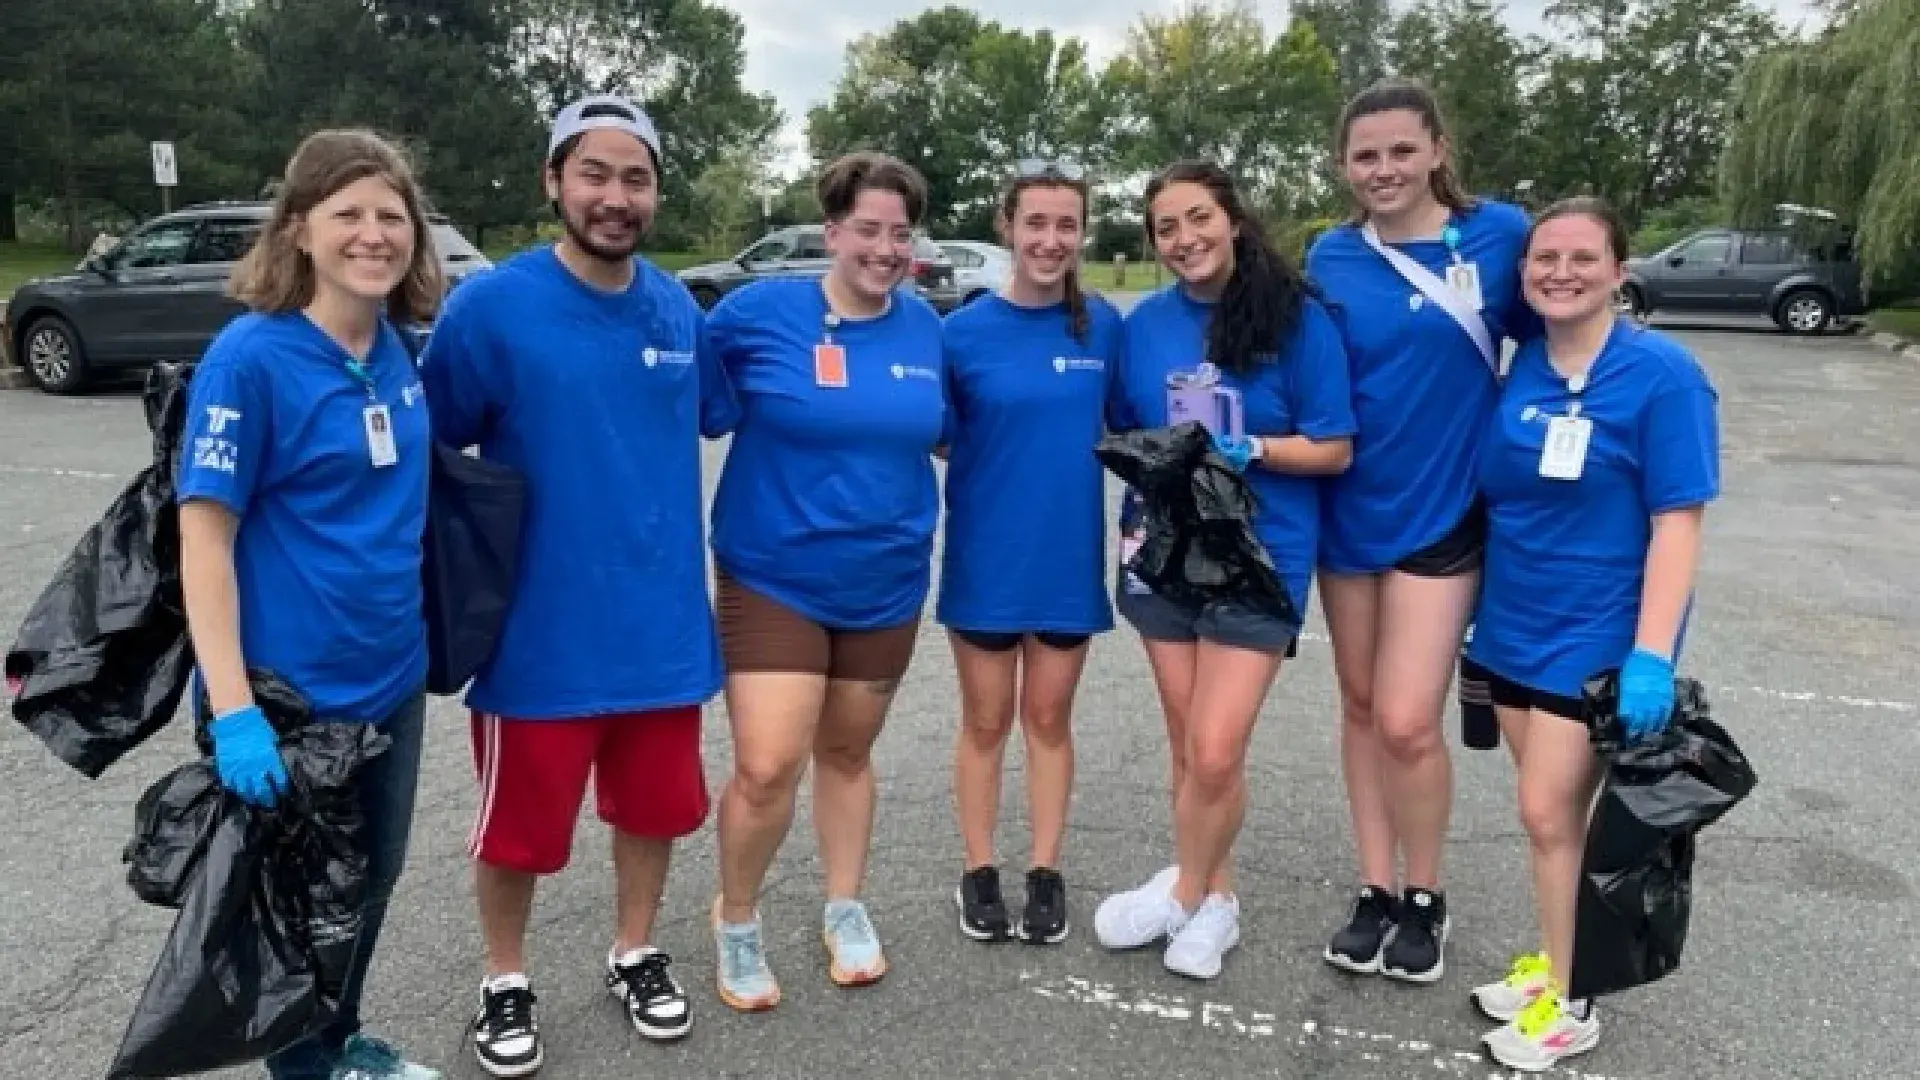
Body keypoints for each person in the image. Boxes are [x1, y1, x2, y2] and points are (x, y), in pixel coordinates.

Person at [418, 95, 734, 1077]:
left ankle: (634, 950)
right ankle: (504, 978)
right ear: (553, 180)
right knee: (519, 832)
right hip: (536, 635)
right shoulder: (491, 308)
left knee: (653, 813)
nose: (614, 196)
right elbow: (430, 451)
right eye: (593, 173)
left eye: (634, 178)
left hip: (661, 630)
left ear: (654, 194)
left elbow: (732, 413)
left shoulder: (678, 308)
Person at [176, 128, 442, 1080]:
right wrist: (236, 708)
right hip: (287, 700)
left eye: (390, 214)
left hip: (392, 679)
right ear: (297, 230)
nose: (373, 234)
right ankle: (305, 1068)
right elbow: (203, 540)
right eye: (348, 215)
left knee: (367, 884)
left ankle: (341, 1042)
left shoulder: (398, 350)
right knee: (294, 908)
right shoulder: (250, 360)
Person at [1465, 197, 1719, 1071]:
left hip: (1599, 634)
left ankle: (1574, 1004)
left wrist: (1651, 653)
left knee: (1545, 812)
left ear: (1619, 269)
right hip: (1510, 627)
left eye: (1581, 257)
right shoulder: (1526, 366)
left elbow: (1677, 523)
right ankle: (1558, 961)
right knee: (1552, 820)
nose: (1559, 272)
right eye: (1543, 258)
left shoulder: (1663, 376)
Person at [1093, 160, 1356, 980]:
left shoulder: (1298, 320)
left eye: (1198, 218)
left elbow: (1336, 446)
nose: (1184, 239)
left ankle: (1187, 890)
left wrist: (1255, 451)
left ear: (1234, 219)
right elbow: (1124, 429)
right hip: (1165, 552)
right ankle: (1217, 898)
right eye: (1166, 227)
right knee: (1187, 744)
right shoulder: (1145, 326)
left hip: (1258, 555)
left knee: (1214, 750)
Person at [1305, 78, 1538, 983]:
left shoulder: (1501, 234)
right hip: (1347, 512)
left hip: (1443, 512)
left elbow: (1553, 333)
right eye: (1366, 156)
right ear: (1343, 166)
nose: (1384, 169)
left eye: (1402, 150)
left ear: (1439, 148)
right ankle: (1375, 886)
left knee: (1407, 720)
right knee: (1360, 708)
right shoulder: (1329, 254)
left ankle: (1427, 895)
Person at [704, 151, 947, 1009]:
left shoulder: (926, 331)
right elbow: (682, 403)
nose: (885, 249)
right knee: (769, 765)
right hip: (774, 573)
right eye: (869, 230)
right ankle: (736, 919)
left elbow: (952, 435)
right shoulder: (754, 316)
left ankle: (845, 906)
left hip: (886, 578)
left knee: (846, 752)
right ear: (833, 231)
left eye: (900, 233)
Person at [939, 159, 1124, 945]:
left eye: (1067, 225)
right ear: (1008, 227)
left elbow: (1134, 425)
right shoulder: (961, 332)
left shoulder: (1104, 327)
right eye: (1036, 223)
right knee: (985, 723)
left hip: (1065, 559)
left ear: (1082, 233)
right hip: (986, 556)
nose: (1051, 239)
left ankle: (1045, 869)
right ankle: (979, 869)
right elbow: (939, 435)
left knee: (1048, 719)